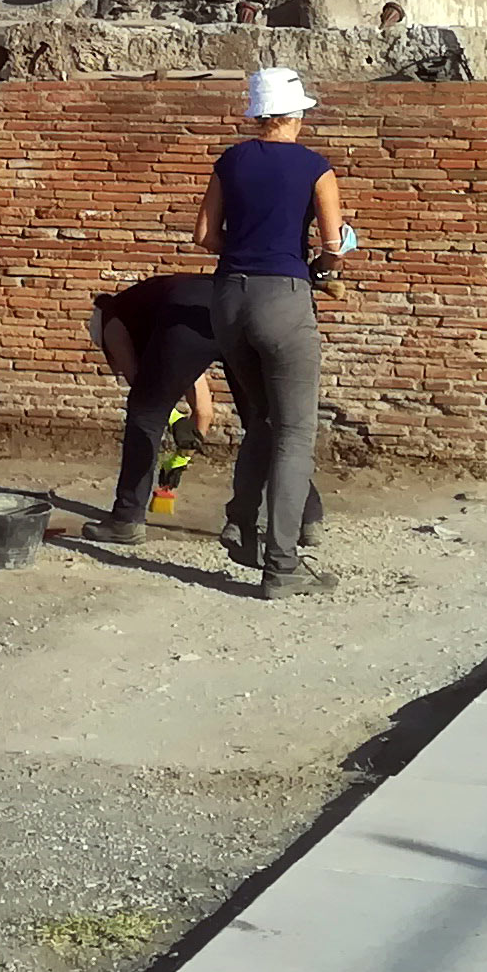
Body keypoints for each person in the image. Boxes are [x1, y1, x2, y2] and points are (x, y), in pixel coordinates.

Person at [198, 64, 349, 597]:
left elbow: (204, 235)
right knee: (294, 433)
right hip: (282, 299)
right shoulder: (315, 167)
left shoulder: (230, 161)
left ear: (258, 115)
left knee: (261, 420)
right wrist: (322, 265)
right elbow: (333, 247)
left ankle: (242, 521)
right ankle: (282, 565)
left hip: (227, 298)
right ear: (294, 116)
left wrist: (248, 250)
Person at [82, 271, 222, 545]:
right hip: (232, 302)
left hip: (195, 307)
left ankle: (126, 520)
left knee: (143, 412)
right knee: (264, 417)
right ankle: (292, 522)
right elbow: (204, 412)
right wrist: (180, 460)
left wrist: (175, 420)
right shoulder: (161, 321)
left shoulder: (111, 318)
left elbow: (144, 396)